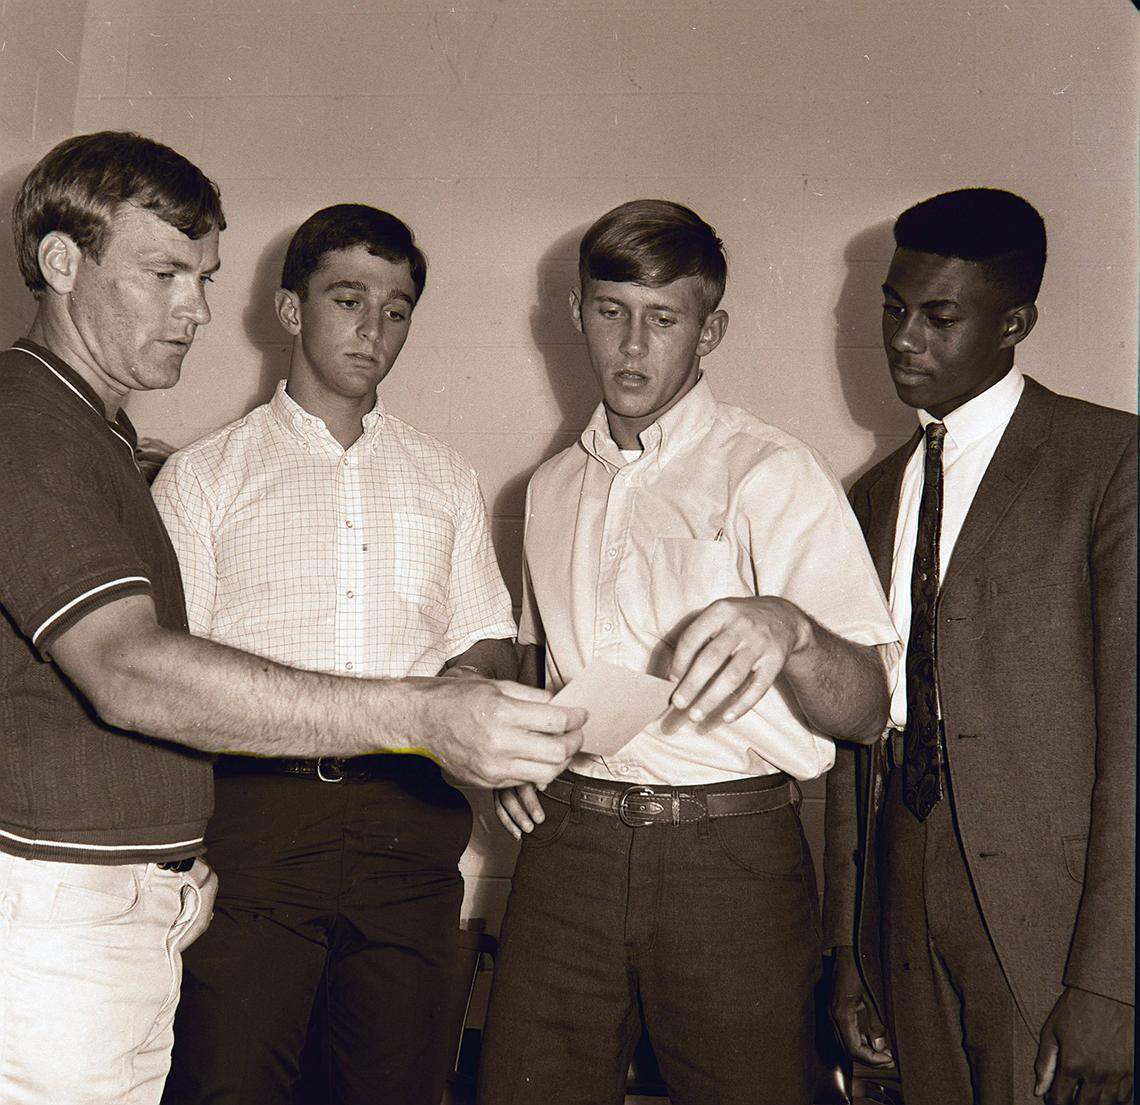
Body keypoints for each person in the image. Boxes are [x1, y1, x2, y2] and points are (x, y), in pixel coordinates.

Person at [0, 132, 584, 1105]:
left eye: (205, 275)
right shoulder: (32, 424)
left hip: (138, 896)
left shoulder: (95, 432)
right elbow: (132, 669)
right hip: (64, 917)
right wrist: (423, 715)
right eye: (164, 273)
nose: (195, 308)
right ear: (62, 261)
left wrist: (174, 855)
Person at [476, 199, 900, 1105]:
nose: (631, 346)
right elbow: (535, 667)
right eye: (610, 311)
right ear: (576, 313)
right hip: (568, 845)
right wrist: (511, 755)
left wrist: (790, 626)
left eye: (663, 319)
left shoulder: (770, 472)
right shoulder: (547, 488)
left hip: (730, 856)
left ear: (711, 330)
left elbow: (866, 708)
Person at [152, 203, 519, 1105]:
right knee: (229, 1085)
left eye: (396, 309)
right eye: (348, 299)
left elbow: (487, 642)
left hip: (409, 827)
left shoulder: (445, 477)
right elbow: (164, 675)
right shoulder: (204, 476)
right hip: (252, 833)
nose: (373, 328)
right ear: (289, 311)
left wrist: (471, 683)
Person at [822, 188, 1135, 1105]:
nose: (903, 338)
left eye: (939, 315)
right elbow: (855, 744)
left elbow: (1132, 744)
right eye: (892, 307)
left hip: (1052, 918)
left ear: (1015, 322)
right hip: (903, 892)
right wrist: (850, 949)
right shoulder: (873, 494)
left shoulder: (1109, 461)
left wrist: (1114, 981)